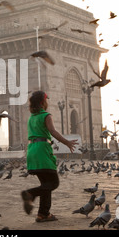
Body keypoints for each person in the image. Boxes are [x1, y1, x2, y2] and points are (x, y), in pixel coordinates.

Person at [21, 91, 77, 222]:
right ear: (42, 102)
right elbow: (52, 131)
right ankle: (30, 193)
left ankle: (43, 214)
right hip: (42, 151)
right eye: (46, 100)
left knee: (45, 184)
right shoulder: (46, 116)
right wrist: (67, 142)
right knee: (53, 183)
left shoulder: (31, 118)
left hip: (32, 151)